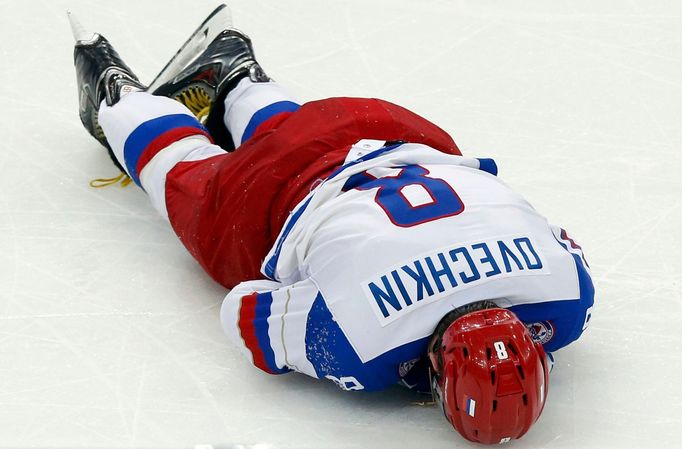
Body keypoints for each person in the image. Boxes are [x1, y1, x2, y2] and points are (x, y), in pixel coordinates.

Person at [71, 6, 594, 445]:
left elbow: (553, 237)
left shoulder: (571, 300)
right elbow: (247, 314)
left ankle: (239, 79)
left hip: (393, 131)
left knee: (302, 133)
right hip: (283, 188)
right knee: (192, 185)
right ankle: (120, 101)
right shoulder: (359, 345)